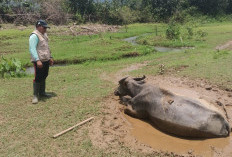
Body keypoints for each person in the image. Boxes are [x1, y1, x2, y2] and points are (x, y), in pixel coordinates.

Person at [29, 20, 54, 104]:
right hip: (39, 61)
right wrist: (37, 60)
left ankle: (42, 93)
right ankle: (35, 95)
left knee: (44, 75)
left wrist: (50, 57)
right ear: (38, 27)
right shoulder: (34, 36)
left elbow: (46, 47)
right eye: (44, 27)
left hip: (45, 59)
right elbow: (32, 49)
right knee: (38, 77)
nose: (45, 29)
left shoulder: (44, 35)